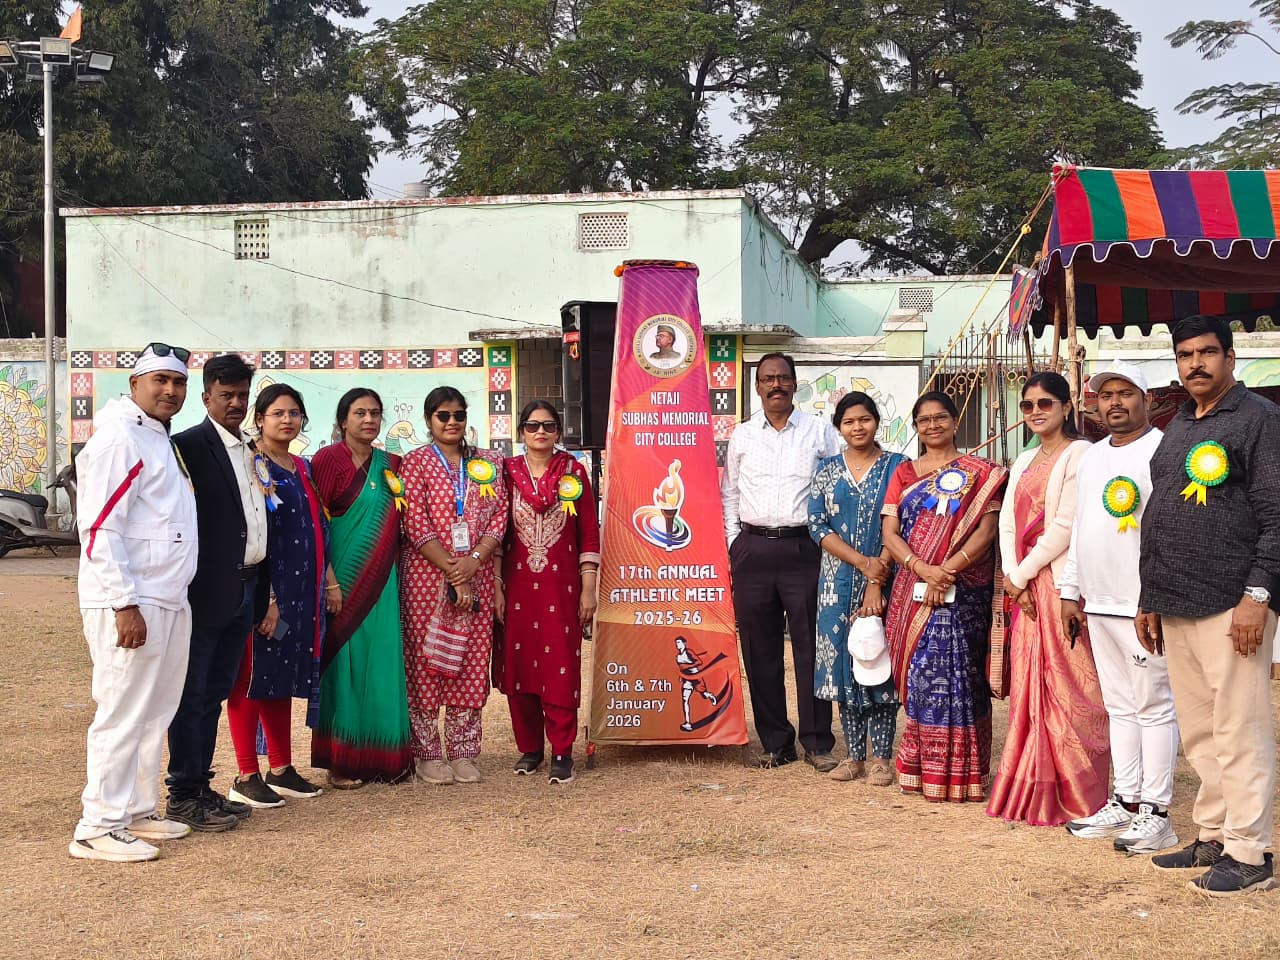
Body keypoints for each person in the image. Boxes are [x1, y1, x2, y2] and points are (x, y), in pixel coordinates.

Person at [1138, 315, 1280, 896]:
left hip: (1233, 603)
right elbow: (1159, 513)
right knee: (1200, 732)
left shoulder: (1259, 419)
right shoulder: (1177, 424)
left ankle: (1250, 852)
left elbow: (1276, 513)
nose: (1195, 363)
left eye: (1207, 352)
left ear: (1230, 357)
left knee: (1240, 729)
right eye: (1185, 354)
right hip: (1176, 600)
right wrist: (1149, 597)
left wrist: (1258, 595)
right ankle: (1215, 836)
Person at [69, 345, 200, 862]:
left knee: (154, 711)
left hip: (167, 595)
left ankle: (137, 810)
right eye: (160, 380)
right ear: (135, 384)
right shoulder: (119, 437)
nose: (170, 390)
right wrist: (124, 602)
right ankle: (97, 825)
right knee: (122, 711)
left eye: (178, 382)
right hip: (131, 600)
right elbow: (100, 526)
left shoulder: (158, 438)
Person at [1059, 361, 1179, 853]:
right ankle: (1126, 801)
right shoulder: (1091, 456)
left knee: (1154, 706)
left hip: (1142, 606)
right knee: (1119, 707)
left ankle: (1157, 812)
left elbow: (1168, 532)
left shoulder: (1164, 450)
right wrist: (1070, 590)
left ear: (1147, 400)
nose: (1114, 402)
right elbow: (1080, 526)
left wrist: (1156, 596)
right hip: (1099, 601)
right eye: (1106, 394)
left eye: (1125, 393)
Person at [986, 372, 1109, 826]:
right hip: (1024, 587)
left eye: (1045, 403)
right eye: (1028, 405)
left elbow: (1065, 525)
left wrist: (1019, 575)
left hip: (1060, 586)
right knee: (1031, 686)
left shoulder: (1082, 454)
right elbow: (1007, 523)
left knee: (1073, 688)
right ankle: (1031, 784)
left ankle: (1080, 791)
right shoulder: (1023, 459)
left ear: (1066, 407)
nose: (1035, 412)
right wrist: (1012, 577)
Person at [881, 390, 1006, 802]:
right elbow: (890, 534)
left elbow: (987, 531)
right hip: (915, 590)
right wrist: (924, 570)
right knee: (922, 678)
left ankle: (967, 775)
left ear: (955, 421)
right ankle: (923, 771)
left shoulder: (981, 473)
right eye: (924, 420)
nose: (932, 425)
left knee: (964, 678)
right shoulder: (904, 473)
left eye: (940, 418)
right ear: (916, 427)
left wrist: (948, 571)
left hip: (965, 592)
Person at [721, 353, 843, 770]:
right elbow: (730, 493)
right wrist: (735, 543)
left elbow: (835, 487)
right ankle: (776, 741)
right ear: (757, 386)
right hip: (752, 549)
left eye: (783, 378)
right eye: (768, 378)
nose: (776, 385)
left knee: (812, 648)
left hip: (803, 549)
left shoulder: (819, 432)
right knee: (760, 651)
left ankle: (817, 742)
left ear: (795, 383)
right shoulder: (742, 436)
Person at [224, 384, 342, 808]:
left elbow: (318, 528)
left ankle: (281, 769)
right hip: (266, 592)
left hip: (302, 592)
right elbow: (254, 534)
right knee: (252, 678)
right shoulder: (252, 465)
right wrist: (267, 600)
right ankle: (245, 775)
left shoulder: (302, 467)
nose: (287, 420)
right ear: (259, 419)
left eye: (294, 413)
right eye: (277, 413)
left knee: (279, 678)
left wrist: (329, 581)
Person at [169, 353, 270, 831]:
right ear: (206, 396)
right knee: (194, 694)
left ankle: (202, 787)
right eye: (225, 395)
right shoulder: (187, 447)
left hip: (246, 588)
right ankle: (182, 794)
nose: (235, 403)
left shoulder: (251, 448)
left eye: (242, 395)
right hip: (206, 590)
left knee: (215, 693)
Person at [399, 387, 508, 785]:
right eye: (442, 416)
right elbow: (414, 521)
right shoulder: (415, 463)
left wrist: (474, 561)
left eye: (458, 415)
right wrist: (452, 569)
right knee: (425, 662)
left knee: (472, 660)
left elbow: (500, 515)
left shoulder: (488, 462)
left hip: (477, 574)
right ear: (429, 420)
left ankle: (463, 751)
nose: (451, 422)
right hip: (427, 577)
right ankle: (427, 754)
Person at [309, 388, 414, 787]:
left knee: (383, 661)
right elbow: (318, 524)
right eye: (359, 413)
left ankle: (386, 758)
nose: (368, 420)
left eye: (374, 413)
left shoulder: (392, 464)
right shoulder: (327, 460)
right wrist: (330, 581)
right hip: (341, 581)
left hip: (382, 582)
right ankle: (343, 761)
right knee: (345, 667)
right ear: (343, 420)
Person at [496, 401, 600, 784]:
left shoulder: (573, 472)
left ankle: (561, 751)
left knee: (559, 666)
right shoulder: (505, 473)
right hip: (517, 586)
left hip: (562, 588)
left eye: (548, 425)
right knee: (519, 664)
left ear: (558, 431)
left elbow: (589, 532)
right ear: (521, 431)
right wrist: (496, 586)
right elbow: (496, 532)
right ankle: (529, 749)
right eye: (532, 425)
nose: (540, 432)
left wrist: (588, 589)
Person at [807, 392, 907, 784]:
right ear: (839, 428)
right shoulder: (827, 470)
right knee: (844, 666)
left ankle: (881, 758)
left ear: (876, 421)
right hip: (836, 582)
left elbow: (903, 522)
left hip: (888, 577)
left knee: (879, 663)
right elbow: (817, 525)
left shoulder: (898, 467)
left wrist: (876, 575)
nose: (857, 427)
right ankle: (853, 757)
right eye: (848, 422)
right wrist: (863, 564)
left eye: (864, 419)